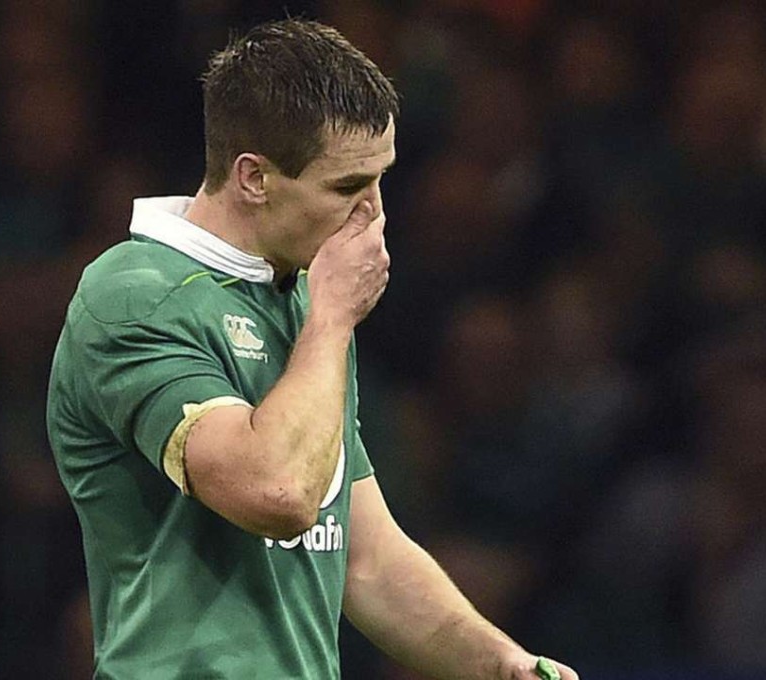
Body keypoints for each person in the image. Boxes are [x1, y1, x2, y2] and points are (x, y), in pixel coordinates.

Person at [47, 18, 578, 680]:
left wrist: (506, 666)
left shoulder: (301, 294)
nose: (375, 217)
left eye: (381, 180)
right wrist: (330, 321)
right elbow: (276, 493)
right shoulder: (137, 295)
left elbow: (365, 557)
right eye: (348, 189)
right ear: (253, 178)